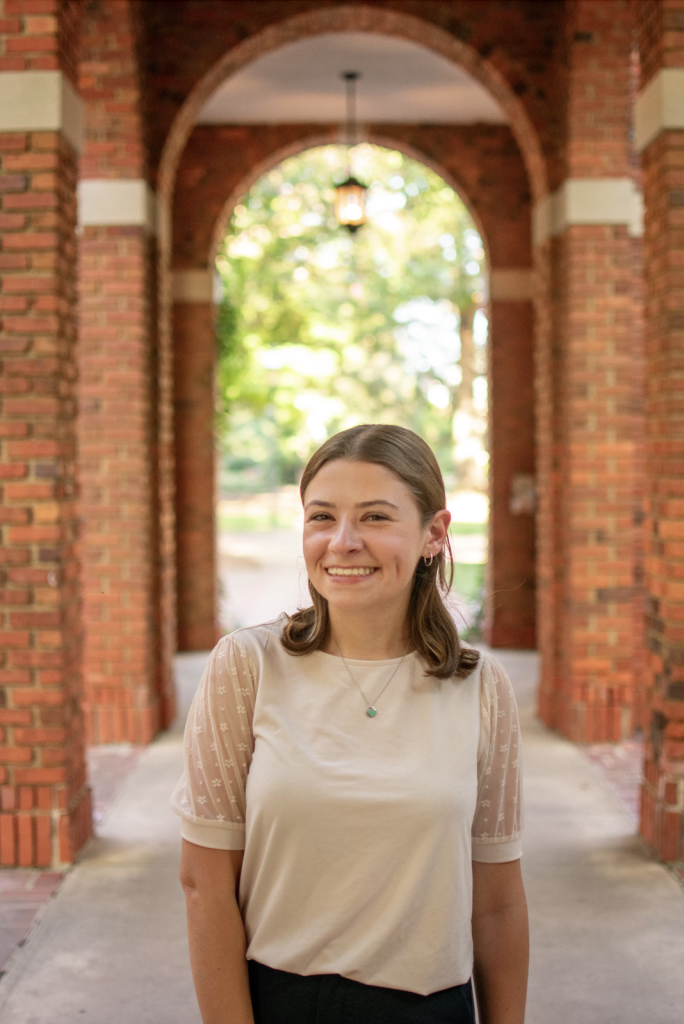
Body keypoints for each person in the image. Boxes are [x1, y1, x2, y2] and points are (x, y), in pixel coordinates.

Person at [172, 423, 528, 1024]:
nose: (342, 542)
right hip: (279, 1003)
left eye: (375, 517)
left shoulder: (480, 687)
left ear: (433, 535)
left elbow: (495, 903)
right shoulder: (248, 666)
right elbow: (204, 884)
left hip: (431, 1008)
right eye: (321, 517)